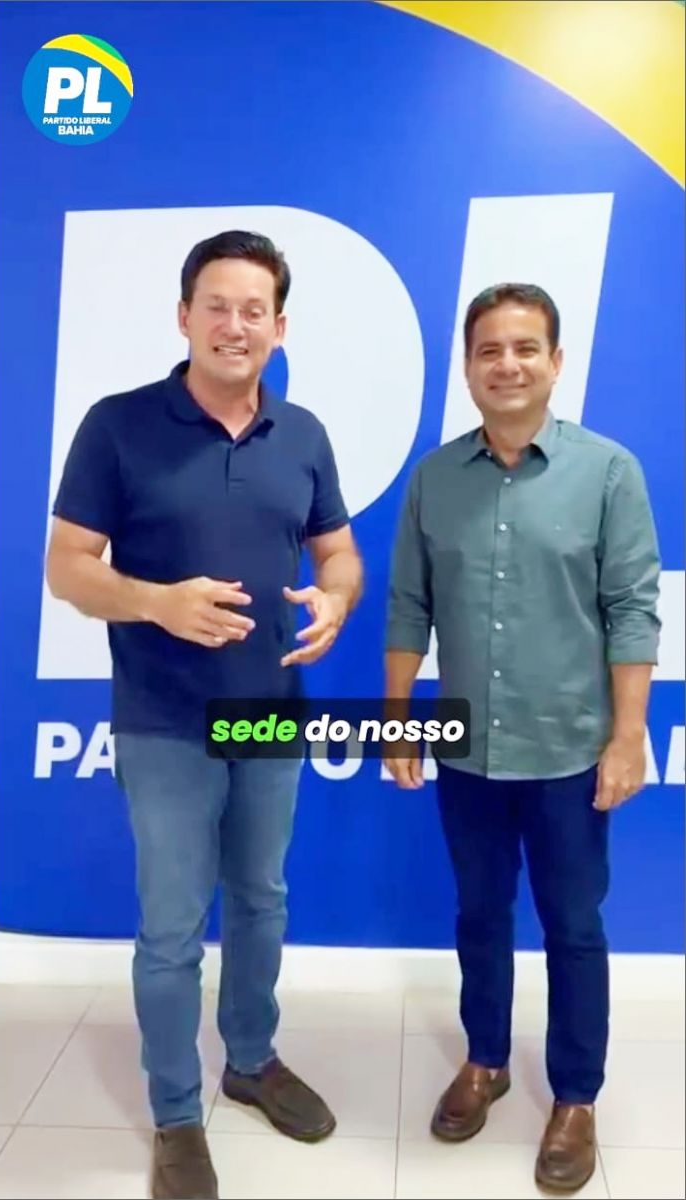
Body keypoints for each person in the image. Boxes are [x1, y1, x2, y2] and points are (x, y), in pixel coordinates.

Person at [46, 230, 363, 1200]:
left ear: (280, 327)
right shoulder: (117, 426)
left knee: (262, 897)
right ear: (184, 316)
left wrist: (338, 599)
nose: (235, 325)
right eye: (216, 306)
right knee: (173, 926)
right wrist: (156, 603)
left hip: (269, 715)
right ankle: (177, 1114)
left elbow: (339, 553)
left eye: (253, 309)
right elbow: (68, 569)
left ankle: (252, 1061)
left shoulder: (303, 434)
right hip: (165, 718)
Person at [384, 283, 660, 1193]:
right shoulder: (435, 479)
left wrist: (628, 736)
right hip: (467, 750)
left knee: (574, 925)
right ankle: (487, 1060)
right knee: (479, 915)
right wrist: (398, 716)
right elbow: (409, 605)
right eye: (489, 350)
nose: (507, 365)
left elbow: (632, 610)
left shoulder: (608, 472)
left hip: (570, 751)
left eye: (525, 348)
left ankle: (575, 1096)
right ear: (468, 368)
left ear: (555, 362)